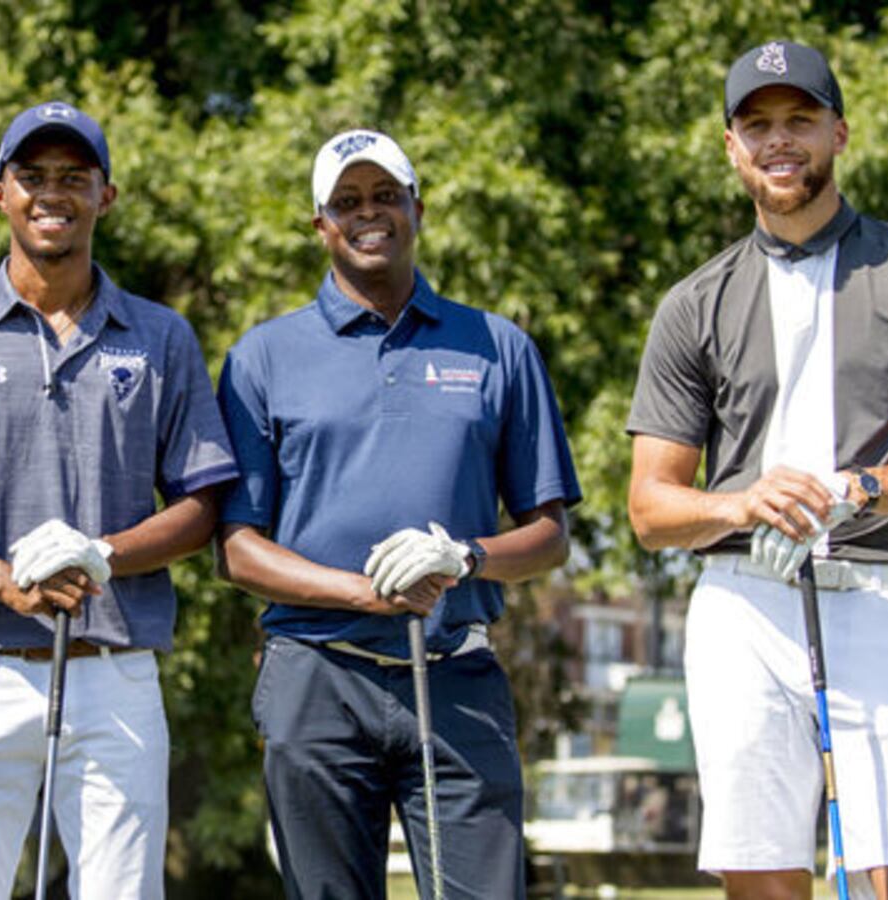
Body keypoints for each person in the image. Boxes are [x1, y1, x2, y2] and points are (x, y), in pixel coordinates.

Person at [626, 40, 888, 900]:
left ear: (839, 131)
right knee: (764, 884)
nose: (779, 141)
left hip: (884, 593)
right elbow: (650, 508)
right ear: (732, 147)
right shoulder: (693, 304)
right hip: (744, 609)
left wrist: (853, 488)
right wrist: (746, 502)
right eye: (757, 125)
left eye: (799, 119)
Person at [0, 100, 238, 899]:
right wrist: (2, 581)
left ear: (105, 196)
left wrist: (104, 555)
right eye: (32, 176)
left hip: (116, 670)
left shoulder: (160, 337)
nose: (53, 193)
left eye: (74, 177)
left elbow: (202, 507)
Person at [216, 128, 581, 899]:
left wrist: (465, 559)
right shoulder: (262, 357)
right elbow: (239, 551)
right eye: (346, 202)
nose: (368, 214)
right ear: (320, 223)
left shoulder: (497, 347)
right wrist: (365, 592)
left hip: (456, 675)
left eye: (385, 196)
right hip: (315, 678)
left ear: (417, 207)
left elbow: (549, 534)